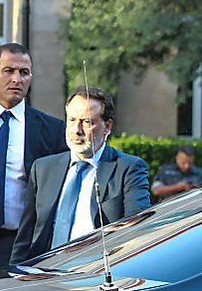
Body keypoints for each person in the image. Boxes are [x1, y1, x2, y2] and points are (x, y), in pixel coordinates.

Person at [11, 87, 151, 264]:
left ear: (107, 126)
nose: (76, 130)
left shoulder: (127, 169)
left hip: (96, 276)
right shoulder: (43, 168)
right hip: (43, 276)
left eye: (86, 122)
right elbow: (25, 236)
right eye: (71, 120)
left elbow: (138, 232)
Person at [0, 43, 66, 272]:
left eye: (24, 72)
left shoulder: (52, 130)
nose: (17, 79)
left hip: (24, 249)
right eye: (8, 71)